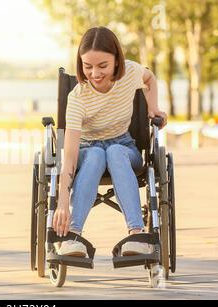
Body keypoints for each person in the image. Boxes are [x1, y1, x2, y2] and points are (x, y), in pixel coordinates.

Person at [53, 26, 167, 257]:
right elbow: (70, 157)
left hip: (124, 147)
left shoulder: (131, 73)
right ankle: (72, 236)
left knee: (114, 151)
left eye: (102, 66)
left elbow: (150, 79)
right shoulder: (77, 98)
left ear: (117, 61)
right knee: (96, 154)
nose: (95, 73)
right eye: (87, 67)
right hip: (87, 151)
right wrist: (62, 203)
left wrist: (153, 108)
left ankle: (136, 234)